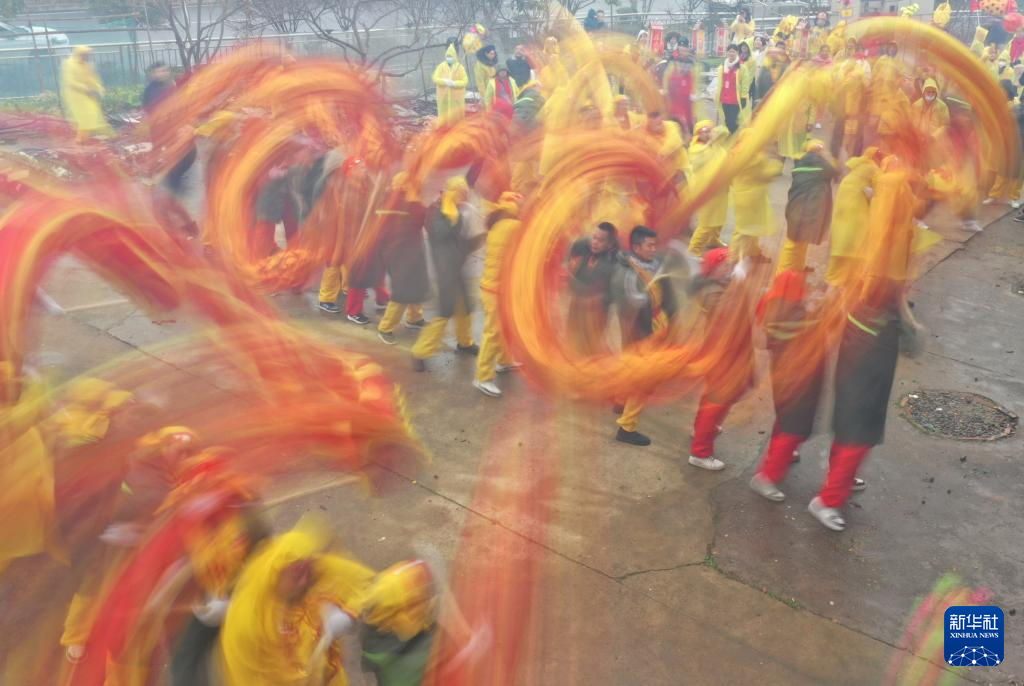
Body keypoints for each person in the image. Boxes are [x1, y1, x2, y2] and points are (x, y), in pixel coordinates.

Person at [810, 156, 922, 531]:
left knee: (856, 422)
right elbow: (886, 290)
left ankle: (837, 480)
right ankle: (828, 499)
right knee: (858, 425)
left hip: (871, 342)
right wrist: (905, 323)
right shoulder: (881, 254)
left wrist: (905, 323)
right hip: (867, 344)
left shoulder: (886, 245)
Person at [217, 519, 375, 685]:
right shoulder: (247, 622)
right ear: (275, 575)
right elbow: (248, 676)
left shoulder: (307, 569)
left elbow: (363, 583)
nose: (305, 581)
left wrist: (344, 610)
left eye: (308, 571)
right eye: (296, 576)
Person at [748, 270, 828, 501]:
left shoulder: (774, 308)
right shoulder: (800, 315)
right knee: (794, 426)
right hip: (801, 381)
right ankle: (767, 476)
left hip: (785, 377)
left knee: (785, 419)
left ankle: (778, 456)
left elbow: (762, 341)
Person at [686, 248, 755, 470]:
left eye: (731, 265)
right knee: (717, 401)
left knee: (714, 398)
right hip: (721, 356)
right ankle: (700, 452)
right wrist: (739, 282)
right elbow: (728, 314)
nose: (730, 268)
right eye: (725, 265)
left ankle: (702, 429)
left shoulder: (722, 284)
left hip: (727, 353)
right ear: (713, 269)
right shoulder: (712, 292)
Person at [613, 226, 679, 446]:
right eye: (649, 245)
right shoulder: (627, 276)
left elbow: (665, 292)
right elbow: (629, 313)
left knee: (630, 371)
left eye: (654, 244)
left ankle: (621, 400)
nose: (653, 249)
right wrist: (645, 339)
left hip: (653, 326)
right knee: (644, 381)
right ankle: (627, 427)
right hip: (641, 334)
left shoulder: (653, 264)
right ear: (636, 247)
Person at [411, 177, 482, 371]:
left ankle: (465, 342)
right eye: (462, 193)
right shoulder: (437, 211)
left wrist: (476, 239)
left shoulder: (457, 209)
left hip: (457, 267)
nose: (465, 197)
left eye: (466, 193)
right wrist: (452, 215)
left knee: (464, 308)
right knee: (444, 313)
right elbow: (440, 235)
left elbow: (459, 241)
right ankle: (420, 352)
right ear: (452, 192)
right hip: (445, 271)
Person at [473, 192, 523, 397]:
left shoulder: (498, 224)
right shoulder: (514, 226)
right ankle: (482, 377)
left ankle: (504, 361)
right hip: (495, 290)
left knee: (504, 328)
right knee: (493, 332)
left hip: (494, 288)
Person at [376, 173, 429, 344]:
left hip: (407, 251)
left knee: (415, 284)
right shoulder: (403, 203)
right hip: (400, 253)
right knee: (402, 291)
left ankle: (414, 318)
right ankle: (385, 328)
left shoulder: (392, 198)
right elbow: (420, 219)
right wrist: (415, 199)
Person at [778, 139, 838, 274]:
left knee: (800, 242)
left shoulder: (802, 161)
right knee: (794, 244)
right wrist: (826, 156)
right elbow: (834, 171)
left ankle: (797, 267)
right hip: (804, 209)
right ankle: (781, 276)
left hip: (798, 207)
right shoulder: (819, 163)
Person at [318, 156, 368, 314]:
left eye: (364, 167)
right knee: (333, 265)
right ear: (351, 171)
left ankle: (348, 288)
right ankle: (326, 299)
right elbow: (335, 215)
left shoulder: (361, 187)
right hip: (337, 234)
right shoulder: (342, 189)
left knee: (350, 263)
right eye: (360, 168)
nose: (364, 170)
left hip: (352, 235)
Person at [827, 147, 880, 287]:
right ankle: (844, 281)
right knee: (854, 244)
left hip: (842, 211)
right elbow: (878, 191)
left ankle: (833, 280)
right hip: (855, 214)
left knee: (840, 243)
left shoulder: (854, 171)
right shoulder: (872, 170)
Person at [142, 62, 196, 196]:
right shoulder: (150, 91)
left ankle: (172, 176)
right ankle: (155, 176)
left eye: (165, 70)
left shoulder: (171, 86)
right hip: (159, 127)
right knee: (158, 150)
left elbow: (179, 104)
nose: (164, 73)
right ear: (153, 74)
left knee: (180, 151)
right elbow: (149, 109)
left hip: (173, 126)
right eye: (160, 71)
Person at [567, 222, 619, 355]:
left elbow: (611, 295)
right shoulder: (585, 248)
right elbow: (575, 247)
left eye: (601, 240)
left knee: (588, 350)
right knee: (571, 343)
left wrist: (594, 299)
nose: (595, 242)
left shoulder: (612, 265)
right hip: (576, 307)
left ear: (610, 244)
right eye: (594, 237)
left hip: (596, 315)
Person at [730, 145, 783, 260]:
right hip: (750, 198)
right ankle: (733, 259)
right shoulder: (753, 159)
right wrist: (777, 163)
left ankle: (753, 252)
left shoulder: (739, 153)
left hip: (746, 195)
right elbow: (764, 176)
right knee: (743, 231)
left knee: (752, 228)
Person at [687, 122, 730, 256]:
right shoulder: (695, 150)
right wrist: (710, 142)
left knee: (719, 219)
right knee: (707, 223)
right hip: (707, 192)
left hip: (720, 190)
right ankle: (693, 250)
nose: (707, 133)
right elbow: (698, 161)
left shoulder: (715, 144)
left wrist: (714, 133)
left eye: (709, 130)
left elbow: (725, 131)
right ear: (697, 134)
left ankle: (713, 239)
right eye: (703, 131)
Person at [61, 45, 112, 141]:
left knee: (92, 113)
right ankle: (82, 138)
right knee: (84, 116)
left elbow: (91, 78)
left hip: (87, 94)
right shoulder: (69, 64)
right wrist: (85, 88)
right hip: (75, 96)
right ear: (80, 54)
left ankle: (84, 137)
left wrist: (99, 88)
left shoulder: (86, 65)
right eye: (86, 54)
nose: (88, 56)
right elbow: (70, 82)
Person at [432, 45, 468, 127]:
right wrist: (444, 82)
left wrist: (454, 83)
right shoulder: (441, 66)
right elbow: (435, 78)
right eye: (448, 56)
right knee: (444, 115)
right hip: (443, 97)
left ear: (454, 56)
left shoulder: (460, 67)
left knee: (457, 116)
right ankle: (443, 129)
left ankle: (457, 129)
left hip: (456, 98)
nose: (449, 58)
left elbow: (465, 81)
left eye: (450, 56)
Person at [716, 45, 744, 134]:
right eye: (729, 51)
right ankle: (729, 138)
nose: (731, 53)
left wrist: (743, 97)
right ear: (727, 53)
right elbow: (719, 82)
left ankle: (734, 137)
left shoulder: (741, 67)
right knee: (727, 120)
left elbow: (745, 83)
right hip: (724, 98)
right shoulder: (723, 66)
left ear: (737, 53)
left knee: (733, 121)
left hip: (735, 99)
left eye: (733, 51)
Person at [664, 55, 695, 133]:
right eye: (685, 67)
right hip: (677, 109)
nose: (687, 69)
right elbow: (671, 96)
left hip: (687, 108)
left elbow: (690, 92)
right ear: (681, 66)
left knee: (691, 125)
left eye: (689, 67)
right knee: (681, 127)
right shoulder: (674, 77)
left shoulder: (690, 76)